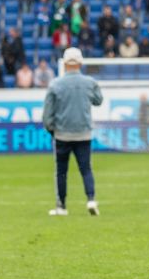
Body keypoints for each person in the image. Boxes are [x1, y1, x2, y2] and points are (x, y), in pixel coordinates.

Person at [42, 48, 103, 217]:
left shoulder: (55, 84)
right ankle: (91, 199)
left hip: (62, 133)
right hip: (83, 132)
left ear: (65, 63)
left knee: (61, 171)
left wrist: (50, 129)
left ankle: (61, 206)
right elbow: (98, 100)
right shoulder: (89, 82)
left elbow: (47, 113)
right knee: (86, 168)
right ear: (80, 63)